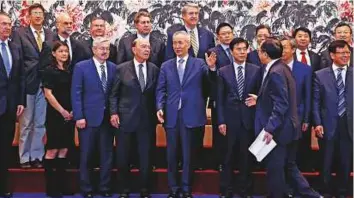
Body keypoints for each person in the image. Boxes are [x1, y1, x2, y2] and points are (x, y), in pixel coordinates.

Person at [156, 30, 216, 198]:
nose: (177, 46)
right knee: (171, 155)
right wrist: (159, 106)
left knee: (189, 155)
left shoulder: (199, 64)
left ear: (189, 44)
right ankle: (173, 188)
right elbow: (161, 89)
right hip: (172, 116)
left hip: (192, 115)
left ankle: (186, 188)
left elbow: (210, 86)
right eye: (175, 43)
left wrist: (211, 68)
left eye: (181, 43)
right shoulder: (166, 66)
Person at [110, 38, 160, 198]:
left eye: (148, 47)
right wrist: (113, 113)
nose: (147, 50)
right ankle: (124, 189)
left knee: (146, 156)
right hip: (125, 119)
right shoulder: (121, 69)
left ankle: (144, 189)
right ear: (133, 49)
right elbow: (113, 94)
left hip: (147, 120)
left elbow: (157, 94)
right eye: (143, 47)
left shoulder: (154, 69)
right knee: (123, 156)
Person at [252, 37, 298, 198]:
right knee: (277, 169)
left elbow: (281, 103)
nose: (258, 53)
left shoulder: (276, 71)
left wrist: (270, 128)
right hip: (282, 127)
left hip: (278, 130)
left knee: (276, 169)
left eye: (259, 50)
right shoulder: (281, 67)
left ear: (265, 53)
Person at [71, 37, 116, 198]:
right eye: (101, 48)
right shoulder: (81, 67)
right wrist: (79, 116)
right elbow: (76, 93)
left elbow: (114, 94)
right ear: (94, 50)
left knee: (107, 155)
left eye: (107, 49)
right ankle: (87, 189)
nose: (105, 52)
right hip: (87, 119)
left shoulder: (113, 68)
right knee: (86, 155)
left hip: (107, 120)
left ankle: (104, 188)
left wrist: (114, 113)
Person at [12, 3, 56, 168]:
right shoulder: (20, 33)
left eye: (40, 13)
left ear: (44, 16)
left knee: (40, 123)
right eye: (34, 13)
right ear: (29, 16)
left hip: (45, 84)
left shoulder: (51, 34)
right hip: (28, 83)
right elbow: (19, 59)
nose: (38, 16)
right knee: (26, 123)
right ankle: (24, 157)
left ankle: (37, 156)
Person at [217, 38, 261, 198]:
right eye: (238, 49)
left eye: (244, 49)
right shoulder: (223, 71)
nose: (242, 52)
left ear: (248, 50)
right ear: (231, 51)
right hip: (229, 121)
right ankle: (226, 190)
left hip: (249, 120)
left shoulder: (256, 70)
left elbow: (261, 95)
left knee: (246, 158)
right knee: (227, 157)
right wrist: (221, 121)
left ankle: (245, 191)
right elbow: (219, 99)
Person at [279, 36, 322, 198]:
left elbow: (307, 97)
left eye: (285, 47)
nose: (282, 51)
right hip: (277, 121)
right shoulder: (272, 66)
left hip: (297, 120)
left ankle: (298, 190)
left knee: (293, 158)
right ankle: (286, 190)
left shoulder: (304, 69)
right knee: (281, 159)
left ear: (293, 49)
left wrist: (305, 119)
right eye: (280, 47)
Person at [313, 40, 353, 198]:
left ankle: (343, 193)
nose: (345, 56)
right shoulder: (320, 75)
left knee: (345, 162)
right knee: (326, 162)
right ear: (332, 55)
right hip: (327, 124)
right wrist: (317, 123)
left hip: (349, 125)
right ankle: (325, 192)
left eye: (348, 53)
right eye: (342, 53)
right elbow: (315, 102)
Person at [42, 41, 74, 197]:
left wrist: (71, 111)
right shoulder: (49, 71)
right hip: (55, 114)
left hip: (69, 114)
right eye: (61, 51)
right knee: (53, 150)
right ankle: (51, 188)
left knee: (64, 150)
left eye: (66, 51)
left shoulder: (69, 71)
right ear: (54, 53)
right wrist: (62, 111)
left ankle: (62, 186)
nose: (64, 54)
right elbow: (48, 94)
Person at [0, 12, 25, 198]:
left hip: (9, 106)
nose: (7, 27)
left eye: (9, 24)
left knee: (5, 147)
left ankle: (2, 186)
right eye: (3, 24)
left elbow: (20, 77)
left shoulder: (14, 47)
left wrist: (20, 101)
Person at [207, 22, 235, 171]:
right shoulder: (213, 51)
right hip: (219, 97)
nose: (227, 35)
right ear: (218, 37)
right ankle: (219, 161)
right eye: (223, 33)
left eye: (229, 32)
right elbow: (210, 77)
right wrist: (212, 68)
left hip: (236, 98)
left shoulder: (238, 48)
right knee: (220, 131)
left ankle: (233, 160)